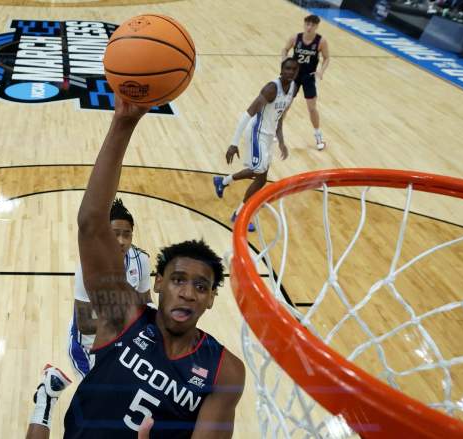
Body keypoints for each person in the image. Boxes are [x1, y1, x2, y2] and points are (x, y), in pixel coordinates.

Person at [65, 95, 246, 438]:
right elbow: (91, 223)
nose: (188, 293)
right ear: (158, 283)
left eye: (201, 287)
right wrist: (123, 123)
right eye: (178, 280)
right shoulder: (123, 315)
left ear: (210, 299)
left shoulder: (224, 372)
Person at [212, 58, 300, 232]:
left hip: (268, 136)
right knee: (258, 169)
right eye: (288, 69)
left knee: (261, 178)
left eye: (294, 70)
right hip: (256, 133)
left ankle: (222, 181)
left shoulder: (293, 89)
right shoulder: (271, 88)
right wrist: (233, 143)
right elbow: (248, 114)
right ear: (281, 70)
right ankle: (239, 215)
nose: (290, 72)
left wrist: (281, 141)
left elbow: (279, 116)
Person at [68, 198, 152, 379]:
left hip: (123, 340)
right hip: (88, 347)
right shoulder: (87, 267)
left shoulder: (141, 260)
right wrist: (127, 323)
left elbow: (146, 302)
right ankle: (49, 389)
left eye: (127, 234)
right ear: (105, 234)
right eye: (115, 234)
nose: (121, 241)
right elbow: (84, 324)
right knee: (98, 400)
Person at [281, 14, 330, 150]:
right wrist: (285, 62)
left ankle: (318, 136)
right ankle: (276, 131)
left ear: (316, 26)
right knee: (286, 104)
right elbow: (285, 49)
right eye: (307, 24)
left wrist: (321, 71)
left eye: (312, 25)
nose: (309, 27)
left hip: (309, 77)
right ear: (304, 24)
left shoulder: (321, 41)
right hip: (294, 76)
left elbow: (326, 58)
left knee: (312, 108)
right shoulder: (295, 38)